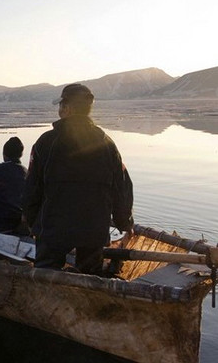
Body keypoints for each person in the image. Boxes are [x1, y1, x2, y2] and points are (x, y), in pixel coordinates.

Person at [22, 83, 134, 276]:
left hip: (53, 230)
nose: (59, 110)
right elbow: (122, 189)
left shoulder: (45, 142)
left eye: (60, 105)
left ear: (67, 108)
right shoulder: (107, 144)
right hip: (93, 231)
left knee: (46, 278)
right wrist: (125, 223)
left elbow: (32, 189)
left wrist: (33, 224)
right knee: (89, 280)